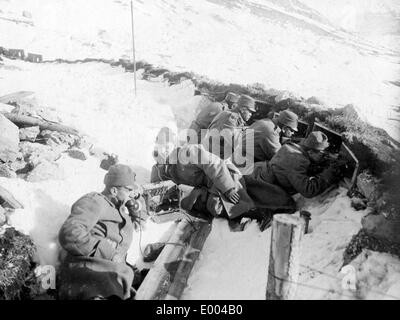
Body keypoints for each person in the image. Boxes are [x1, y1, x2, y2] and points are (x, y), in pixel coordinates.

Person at [58, 164, 142, 300]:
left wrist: (133, 210)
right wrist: (108, 251)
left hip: (110, 270)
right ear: (114, 190)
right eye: (128, 190)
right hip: (87, 269)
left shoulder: (117, 205)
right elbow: (70, 233)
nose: (132, 194)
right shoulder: (94, 201)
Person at [246, 131, 346, 205]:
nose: (324, 156)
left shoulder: (291, 147)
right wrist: (329, 173)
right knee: (287, 206)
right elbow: (308, 190)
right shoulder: (297, 160)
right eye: (322, 154)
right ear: (311, 152)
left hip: (257, 172)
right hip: (262, 184)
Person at [206, 94, 256, 160]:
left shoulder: (233, 115)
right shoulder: (230, 117)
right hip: (213, 156)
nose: (251, 115)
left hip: (215, 154)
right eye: (250, 112)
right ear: (243, 109)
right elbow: (235, 142)